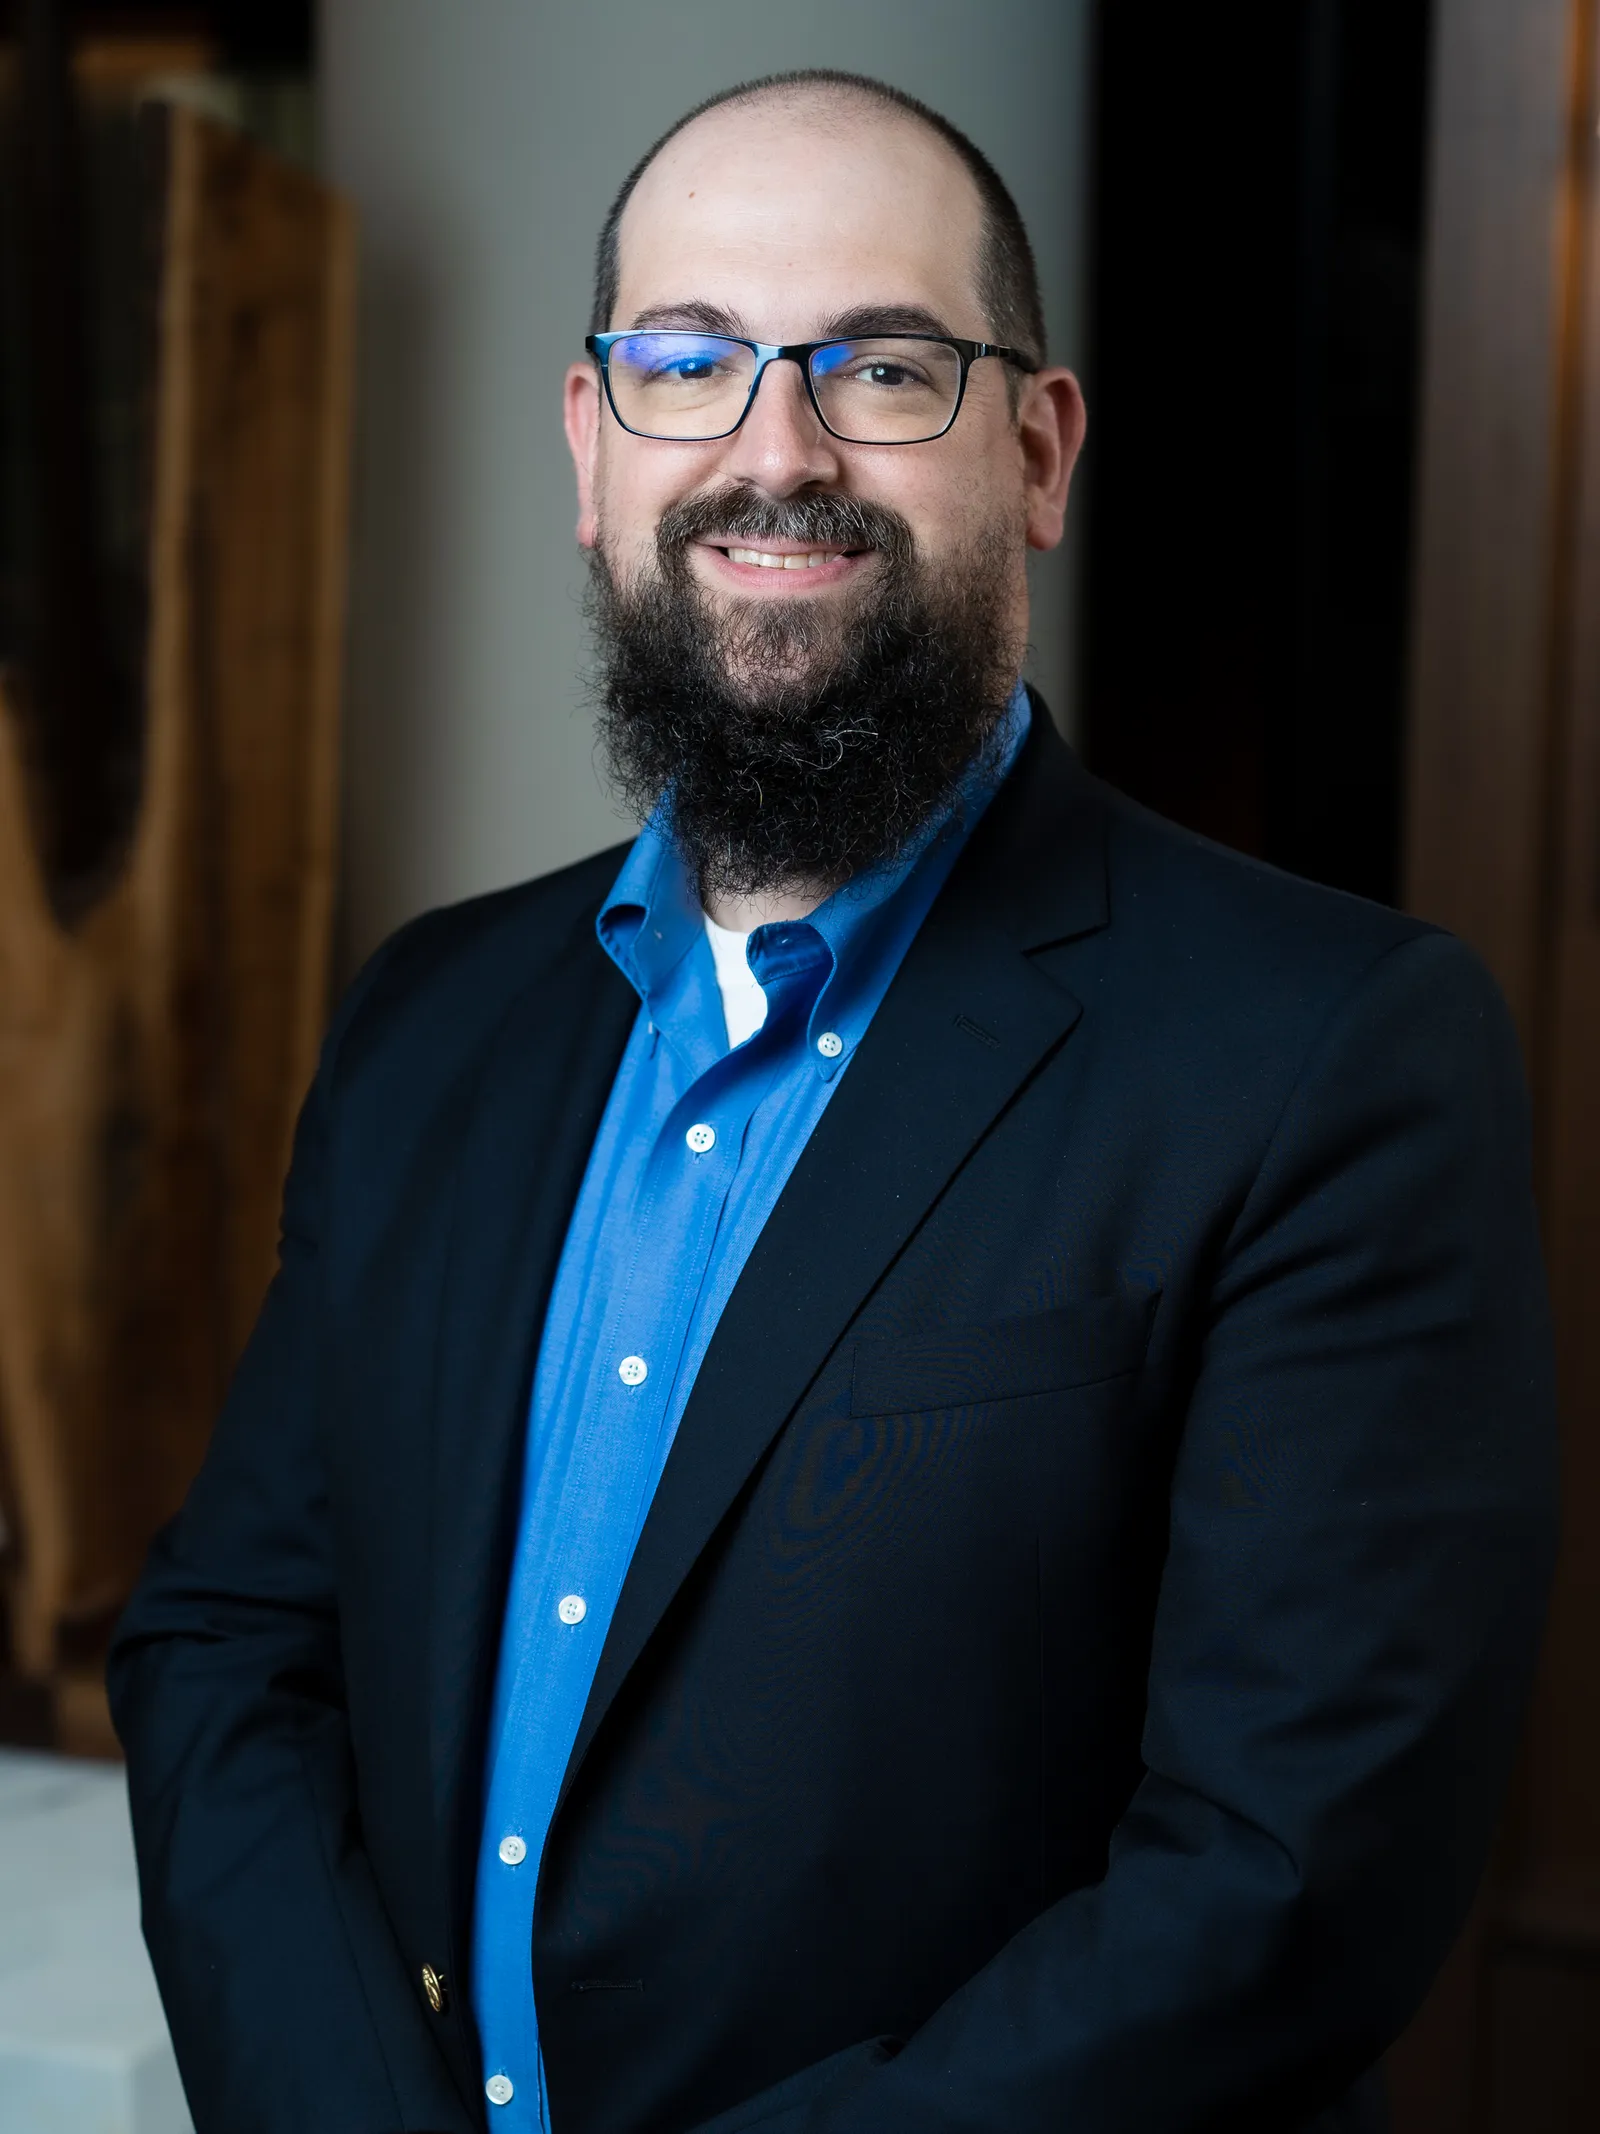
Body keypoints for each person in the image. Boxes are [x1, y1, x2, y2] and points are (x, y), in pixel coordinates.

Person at [109, 69, 1557, 2134]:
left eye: (880, 366)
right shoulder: (431, 1018)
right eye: (685, 362)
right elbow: (228, 1647)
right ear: (591, 451)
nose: (771, 452)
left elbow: (1279, 1881)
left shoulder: (1332, 1052)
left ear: (1037, 451)